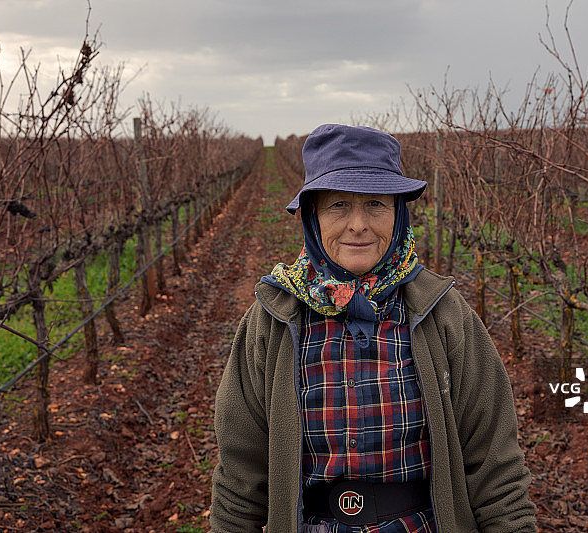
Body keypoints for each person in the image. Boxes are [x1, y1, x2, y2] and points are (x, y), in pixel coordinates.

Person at [209, 124, 537, 533]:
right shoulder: (272, 322)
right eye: (338, 205)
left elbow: (496, 471)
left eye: (376, 204)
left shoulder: (443, 315)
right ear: (313, 217)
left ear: (398, 214)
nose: (358, 224)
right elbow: (239, 481)